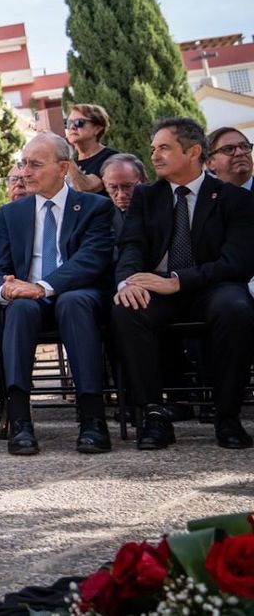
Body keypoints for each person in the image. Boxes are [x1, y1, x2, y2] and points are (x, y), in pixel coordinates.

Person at [112, 117, 254, 451]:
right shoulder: (146, 196)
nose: (155, 155)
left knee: (236, 309)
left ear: (192, 151)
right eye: (152, 149)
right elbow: (130, 246)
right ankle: (154, 414)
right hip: (157, 286)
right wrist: (127, 283)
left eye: (164, 147)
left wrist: (178, 281)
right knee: (126, 309)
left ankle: (227, 416)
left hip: (212, 286)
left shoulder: (234, 199)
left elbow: (236, 263)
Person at [0, 133, 115, 456]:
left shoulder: (94, 207)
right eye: (23, 163)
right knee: (17, 308)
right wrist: (6, 289)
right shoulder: (10, 214)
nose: (25, 172)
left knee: (73, 303)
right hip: (27, 299)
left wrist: (42, 286)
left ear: (63, 168)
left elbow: (92, 260)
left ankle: (92, 419)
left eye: (35, 164)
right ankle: (20, 420)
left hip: (76, 292)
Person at [64, 104, 117, 195]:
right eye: (69, 123)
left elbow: (85, 187)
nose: (72, 127)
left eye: (79, 122)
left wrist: (63, 152)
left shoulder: (111, 158)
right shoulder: (73, 161)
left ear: (97, 129)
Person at [102, 154, 147, 245]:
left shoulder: (161, 210)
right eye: (113, 187)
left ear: (143, 181)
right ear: (104, 184)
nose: (121, 194)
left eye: (127, 186)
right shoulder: (101, 217)